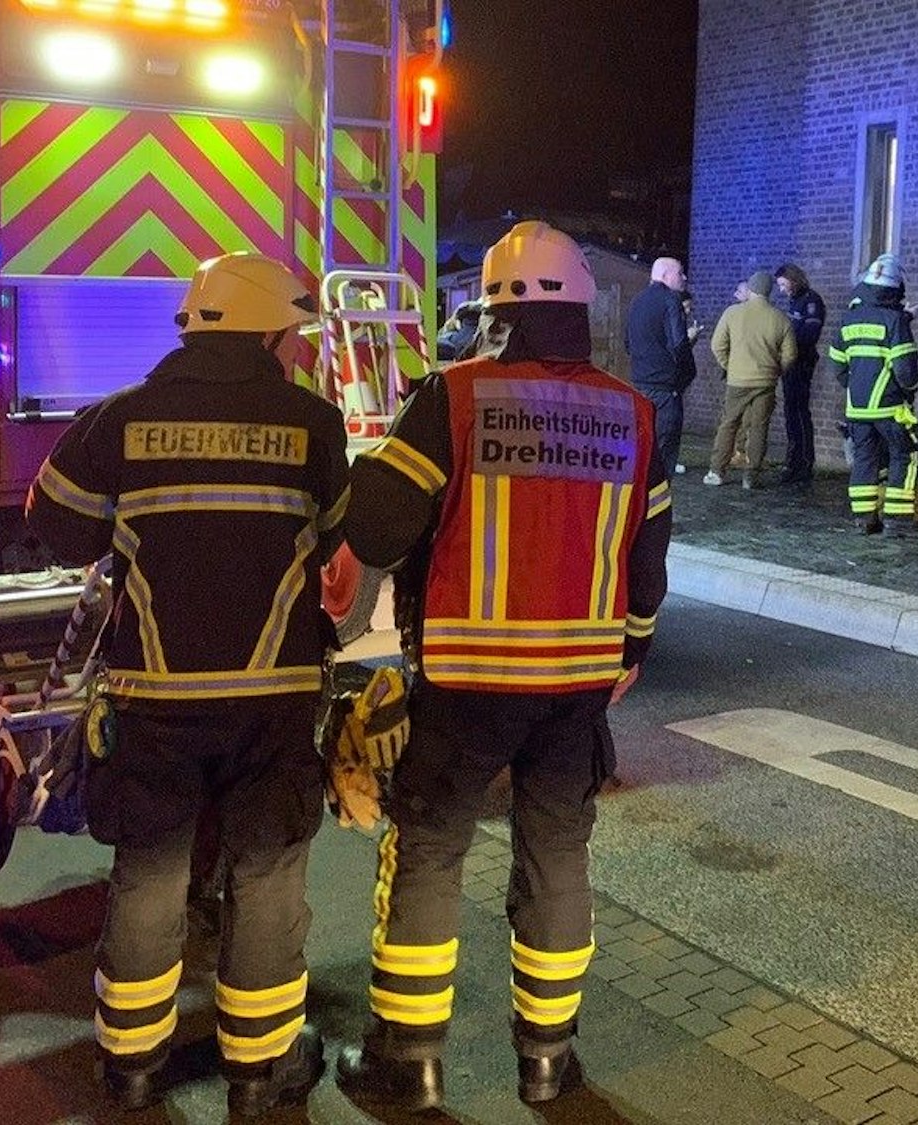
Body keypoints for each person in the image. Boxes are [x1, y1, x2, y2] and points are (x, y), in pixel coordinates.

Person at [336, 221, 672, 1111]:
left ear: (490, 308)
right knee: (558, 853)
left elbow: (374, 527)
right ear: (585, 310)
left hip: (463, 683)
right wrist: (630, 646)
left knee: (431, 852)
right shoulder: (632, 414)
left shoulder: (454, 398)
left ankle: (408, 1064)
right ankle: (549, 1060)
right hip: (576, 690)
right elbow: (649, 558)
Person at [25, 252, 346, 1117]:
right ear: (268, 332)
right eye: (292, 336)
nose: (296, 352)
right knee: (268, 871)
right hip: (273, 696)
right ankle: (259, 1069)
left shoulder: (120, 420)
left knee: (150, 867)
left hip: (153, 695)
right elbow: (333, 536)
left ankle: (129, 1064)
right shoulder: (314, 424)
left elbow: (52, 524)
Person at [825, 252, 918, 535]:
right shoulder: (895, 322)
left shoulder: (849, 319)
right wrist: (910, 390)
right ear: (895, 289)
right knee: (905, 455)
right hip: (890, 408)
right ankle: (898, 521)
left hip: (857, 410)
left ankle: (864, 519)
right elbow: (906, 370)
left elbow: (837, 364)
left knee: (865, 459)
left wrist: (857, 387)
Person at [706, 270, 796, 490]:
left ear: (752, 289)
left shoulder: (732, 313)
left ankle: (717, 471)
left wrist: (730, 366)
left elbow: (717, 344)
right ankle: (751, 475)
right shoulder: (780, 318)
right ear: (769, 291)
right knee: (759, 428)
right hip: (766, 382)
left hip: (737, 381)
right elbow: (791, 354)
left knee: (729, 424)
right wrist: (775, 371)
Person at [625, 256, 696, 479]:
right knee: (664, 452)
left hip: (639, 385)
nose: (684, 277)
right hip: (665, 389)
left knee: (642, 449)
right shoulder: (670, 301)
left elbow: (627, 343)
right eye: (680, 273)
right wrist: (687, 373)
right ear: (665, 275)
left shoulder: (636, 301)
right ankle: (658, 505)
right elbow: (679, 344)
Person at [773, 263, 828, 487]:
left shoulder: (811, 301)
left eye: (783, 284)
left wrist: (786, 343)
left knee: (799, 412)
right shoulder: (796, 300)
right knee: (791, 412)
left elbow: (809, 335)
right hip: (791, 363)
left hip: (801, 363)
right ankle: (794, 461)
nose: (782, 290)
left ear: (793, 280)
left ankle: (804, 463)